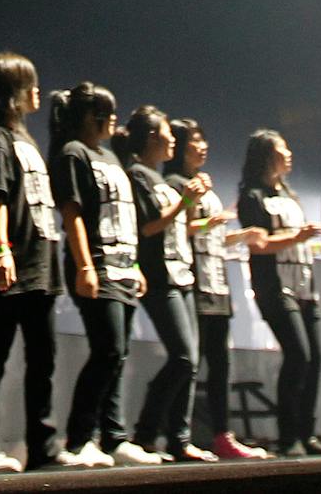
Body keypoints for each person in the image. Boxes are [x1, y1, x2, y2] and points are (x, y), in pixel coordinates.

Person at [0, 53, 62, 474]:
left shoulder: (26, 139)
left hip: (40, 264)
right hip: (11, 264)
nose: (37, 90)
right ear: (12, 92)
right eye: (29, 83)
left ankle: (44, 448)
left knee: (43, 359)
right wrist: (1, 252)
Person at [52, 83, 147, 468]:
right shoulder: (73, 153)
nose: (114, 121)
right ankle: (78, 440)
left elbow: (124, 215)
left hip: (124, 267)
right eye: (110, 114)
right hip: (97, 263)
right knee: (107, 350)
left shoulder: (109, 155)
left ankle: (113, 436)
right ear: (94, 116)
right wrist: (85, 266)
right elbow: (71, 213)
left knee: (118, 353)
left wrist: (136, 266)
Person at [164, 119, 270, 461]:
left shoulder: (205, 186)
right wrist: (210, 221)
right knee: (188, 363)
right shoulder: (174, 183)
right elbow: (176, 228)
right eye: (195, 140)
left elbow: (214, 235)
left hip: (217, 284)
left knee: (220, 365)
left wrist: (241, 235)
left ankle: (223, 435)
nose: (203, 146)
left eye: (203, 139)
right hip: (193, 283)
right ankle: (174, 435)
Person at [237, 130, 321, 457]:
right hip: (275, 286)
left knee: (315, 358)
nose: (288, 154)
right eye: (281, 149)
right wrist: (298, 237)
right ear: (266, 156)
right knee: (298, 354)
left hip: (304, 284)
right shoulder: (252, 197)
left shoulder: (290, 195)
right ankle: (288, 436)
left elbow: (302, 244)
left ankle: (307, 433)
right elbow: (259, 245)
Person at [122, 107, 214, 463]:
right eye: (166, 133)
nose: (172, 140)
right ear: (151, 137)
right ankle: (146, 433)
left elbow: (180, 225)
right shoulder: (137, 175)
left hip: (182, 272)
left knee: (191, 361)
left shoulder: (158, 178)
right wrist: (185, 202)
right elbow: (148, 227)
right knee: (183, 356)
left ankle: (179, 439)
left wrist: (193, 202)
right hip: (160, 277)